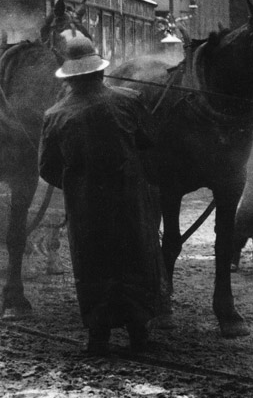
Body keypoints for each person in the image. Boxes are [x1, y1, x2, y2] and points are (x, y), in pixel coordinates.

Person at [39, 36, 167, 356]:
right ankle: (139, 335)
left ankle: (98, 337)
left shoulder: (54, 115)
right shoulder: (130, 100)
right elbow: (149, 141)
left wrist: (76, 184)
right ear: (99, 72)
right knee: (135, 258)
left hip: (85, 206)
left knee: (93, 264)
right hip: (130, 199)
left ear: (69, 78)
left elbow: (47, 168)